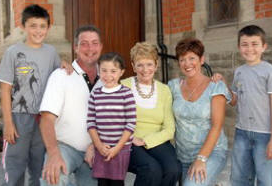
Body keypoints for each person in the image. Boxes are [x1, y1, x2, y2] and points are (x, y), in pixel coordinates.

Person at [0, 4, 71, 186]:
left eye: (42, 26)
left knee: (39, 167)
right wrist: (8, 123)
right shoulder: (13, 53)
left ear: (48, 28)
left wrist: (65, 64)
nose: (38, 30)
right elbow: (5, 90)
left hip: (43, 119)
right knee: (14, 167)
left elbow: (56, 77)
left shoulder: (51, 52)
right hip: (19, 118)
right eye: (33, 25)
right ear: (23, 26)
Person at [213, 25, 272, 186]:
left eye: (254, 44)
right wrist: (224, 84)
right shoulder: (239, 71)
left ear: (264, 46)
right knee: (239, 179)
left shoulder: (270, 72)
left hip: (264, 135)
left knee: (267, 180)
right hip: (242, 133)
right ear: (239, 47)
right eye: (245, 44)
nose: (249, 49)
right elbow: (234, 100)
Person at [39, 25, 103, 186]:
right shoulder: (61, 76)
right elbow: (46, 119)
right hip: (65, 148)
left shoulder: (108, 78)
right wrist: (53, 154)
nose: (90, 48)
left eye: (95, 43)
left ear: (101, 47)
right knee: (53, 177)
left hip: (96, 150)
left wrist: (97, 144)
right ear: (75, 48)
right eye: (84, 43)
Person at [168, 38, 232, 186]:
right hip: (182, 155)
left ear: (202, 60)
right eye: (182, 59)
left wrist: (201, 159)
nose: (187, 64)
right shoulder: (173, 86)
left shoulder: (216, 87)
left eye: (192, 58)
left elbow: (217, 126)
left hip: (211, 153)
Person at [121, 42, 181, 186]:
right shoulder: (123, 86)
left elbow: (169, 129)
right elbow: (115, 120)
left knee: (173, 169)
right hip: (129, 141)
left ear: (156, 64)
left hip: (156, 140)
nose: (145, 69)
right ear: (133, 66)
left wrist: (147, 141)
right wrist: (131, 137)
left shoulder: (164, 90)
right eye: (140, 64)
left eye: (149, 64)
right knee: (151, 169)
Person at [87, 52, 136, 186]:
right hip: (101, 148)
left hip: (120, 149)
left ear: (121, 72)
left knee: (116, 183)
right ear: (99, 71)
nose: (108, 75)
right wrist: (99, 145)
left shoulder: (126, 93)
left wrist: (117, 148)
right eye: (104, 71)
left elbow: (131, 124)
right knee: (102, 183)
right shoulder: (95, 95)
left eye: (113, 71)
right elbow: (91, 123)